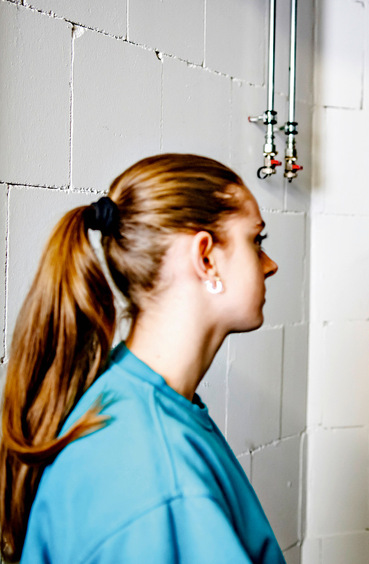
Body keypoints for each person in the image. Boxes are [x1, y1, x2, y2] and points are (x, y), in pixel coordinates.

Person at [0, 154, 284, 563]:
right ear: (205, 257)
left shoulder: (136, 395)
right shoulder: (157, 474)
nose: (270, 265)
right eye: (255, 241)